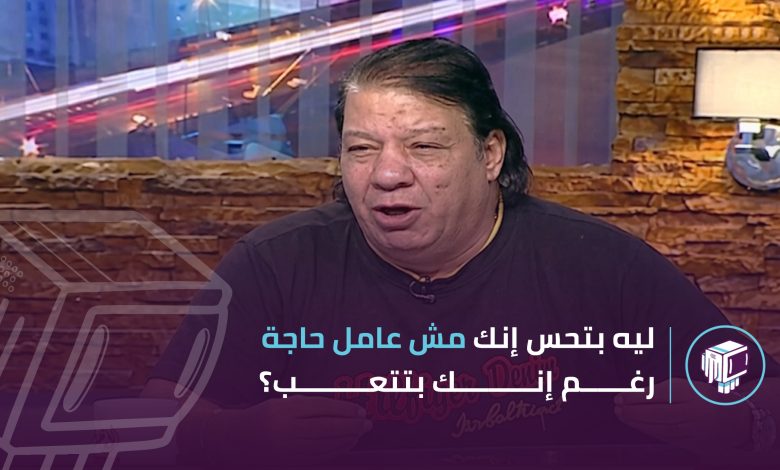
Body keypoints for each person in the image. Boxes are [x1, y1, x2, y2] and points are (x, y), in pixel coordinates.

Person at [144, 37, 779, 467]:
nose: (386, 175)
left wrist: (734, 424)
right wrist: (234, 435)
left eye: (424, 147)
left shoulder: (601, 263)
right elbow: (150, 417)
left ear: (490, 154)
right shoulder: (276, 262)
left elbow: (761, 392)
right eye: (362, 149)